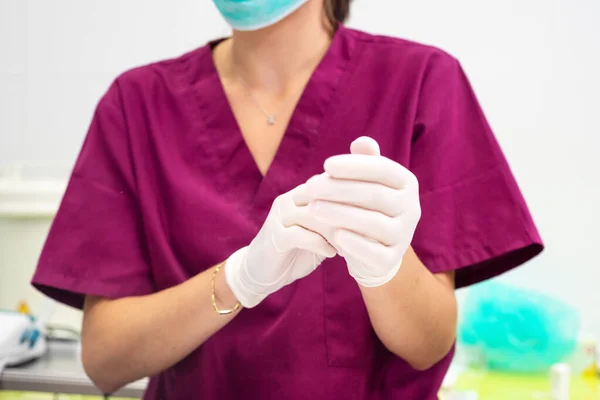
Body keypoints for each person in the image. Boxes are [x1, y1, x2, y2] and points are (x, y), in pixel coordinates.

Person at [31, 0, 544, 399]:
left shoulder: (420, 81)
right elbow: (104, 360)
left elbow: (428, 344)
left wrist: (385, 266)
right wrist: (239, 279)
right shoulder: (137, 103)